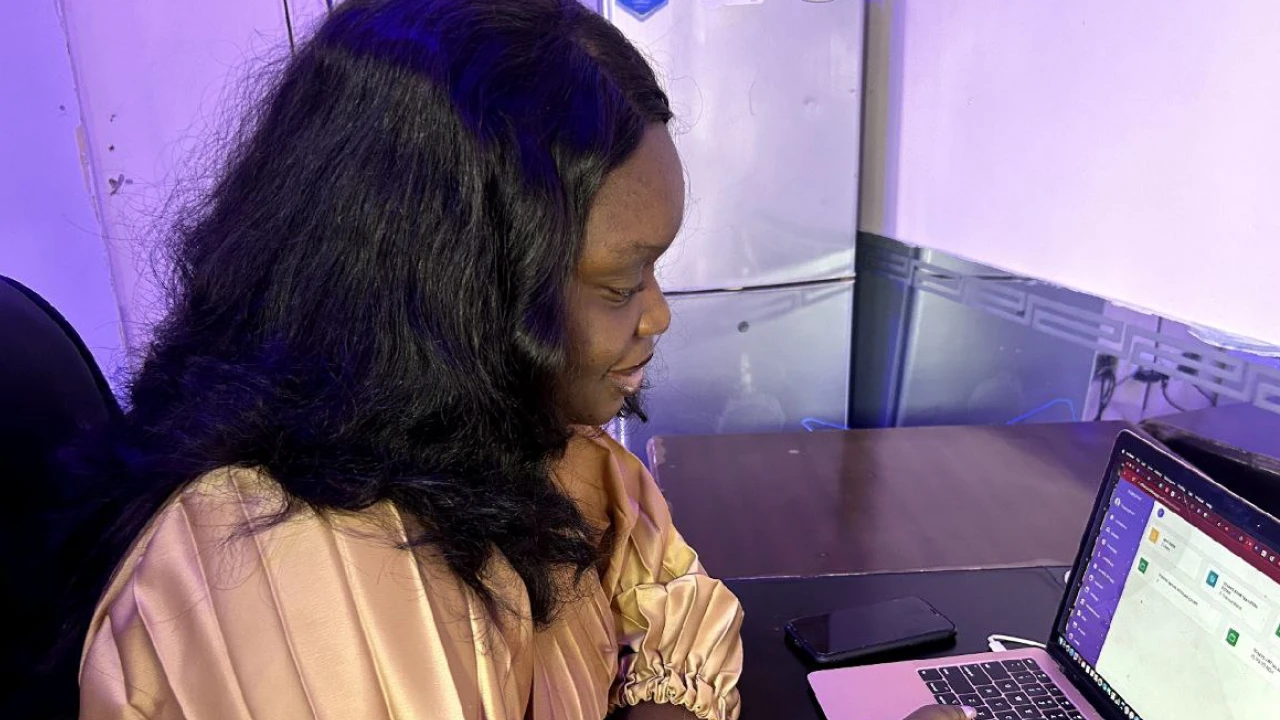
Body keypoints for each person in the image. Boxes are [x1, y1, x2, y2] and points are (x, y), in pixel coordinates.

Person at [55, 1, 978, 719]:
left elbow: (670, 593)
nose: (658, 314)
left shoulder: (511, 442)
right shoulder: (308, 576)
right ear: (460, 293)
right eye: (621, 284)